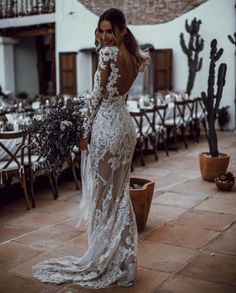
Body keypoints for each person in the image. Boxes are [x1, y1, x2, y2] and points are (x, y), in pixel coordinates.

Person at [32, 8, 149, 289]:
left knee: (102, 197)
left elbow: (95, 97)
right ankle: (123, 259)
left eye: (110, 31)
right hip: (125, 128)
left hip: (107, 130)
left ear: (122, 31)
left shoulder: (109, 55)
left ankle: (103, 259)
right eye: (102, 31)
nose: (105, 37)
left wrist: (83, 132)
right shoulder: (136, 57)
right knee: (118, 196)